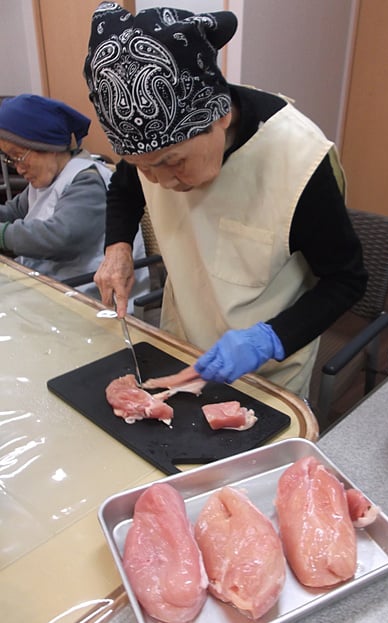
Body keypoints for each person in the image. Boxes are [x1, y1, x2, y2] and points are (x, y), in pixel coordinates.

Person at [83, 4, 368, 398]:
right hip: (178, 345)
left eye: (172, 162)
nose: (162, 182)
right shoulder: (149, 147)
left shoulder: (299, 160)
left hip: (264, 372)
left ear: (218, 115)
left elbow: (347, 280)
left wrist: (267, 339)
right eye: (146, 167)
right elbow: (125, 187)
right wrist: (117, 247)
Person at [0, 93, 149, 309]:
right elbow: (12, 212)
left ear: (48, 145)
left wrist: (3, 235)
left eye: (19, 156)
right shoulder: (43, 183)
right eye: (10, 160)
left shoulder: (87, 181)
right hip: (52, 289)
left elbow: (58, 237)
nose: (18, 168)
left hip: (88, 299)